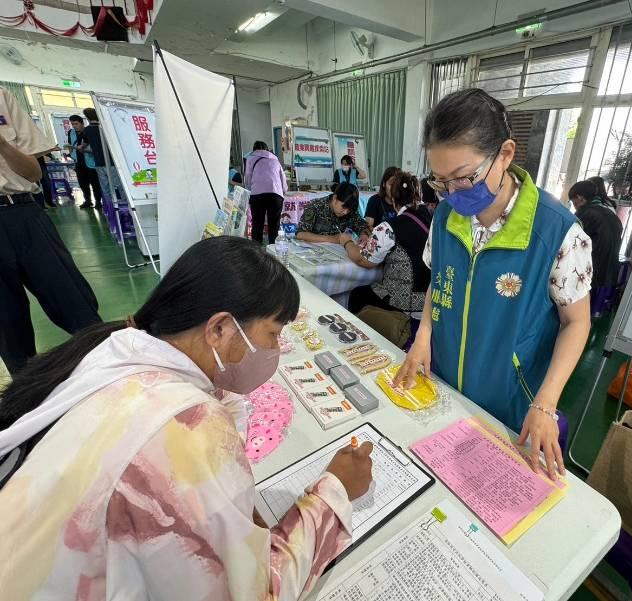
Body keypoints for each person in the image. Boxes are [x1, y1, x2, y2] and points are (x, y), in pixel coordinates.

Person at [0, 236, 374, 599]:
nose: (276, 349)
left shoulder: (117, 348)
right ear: (219, 328)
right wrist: (334, 490)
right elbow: (255, 592)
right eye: (273, 334)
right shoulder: (186, 430)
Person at [394, 89, 592, 480]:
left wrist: (546, 402)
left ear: (504, 154)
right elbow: (440, 283)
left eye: (465, 177)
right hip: (446, 388)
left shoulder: (557, 233)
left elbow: (577, 322)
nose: (453, 194)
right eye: (441, 182)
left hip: (512, 404)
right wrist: (423, 338)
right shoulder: (445, 217)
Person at [0, 86, 102, 375]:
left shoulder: (2, 98)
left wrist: (3, 145)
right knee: (7, 323)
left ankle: (113, 373)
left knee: (73, 298)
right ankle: (25, 398)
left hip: (23, 212)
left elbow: (34, 173)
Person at [345, 171, 432, 315]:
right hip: (430, 300)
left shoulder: (389, 228)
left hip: (403, 302)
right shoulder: (431, 217)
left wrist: (346, 242)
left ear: (393, 198)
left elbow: (363, 259)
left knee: (357, 294)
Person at [568, 180, 623, 317]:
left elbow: (569, 244)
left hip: (590, 274)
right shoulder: (612, 215)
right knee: (591, 314)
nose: (574, 207)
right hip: (609, 275)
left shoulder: (585, 215)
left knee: (576, 315)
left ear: (580, 197)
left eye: (574, 202)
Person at [82, 106, 128, 210]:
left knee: (105, 187)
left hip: (99, 162)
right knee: (119, 185)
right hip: (112, 162)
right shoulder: (106, 128)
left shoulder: (87, 130)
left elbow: (83, 145)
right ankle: (125, 206)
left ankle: (110, 208)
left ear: (87, 118)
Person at [296, 183, 369, 243]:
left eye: (349, 209)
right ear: (334, 198)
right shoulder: (315, 206)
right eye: (343, 207)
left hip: (340, 254)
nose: (345, 212)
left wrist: (364, 235)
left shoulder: (350, 211)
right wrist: (333, 239)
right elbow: (300, 234)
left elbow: (362, 226)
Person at [245, 141, 288, 245]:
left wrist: (250, 189)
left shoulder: (250, 158)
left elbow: (248, 177)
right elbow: (283, 179)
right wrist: (284, 191)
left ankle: (256, 251)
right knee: (274, 225)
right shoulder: (275, 160)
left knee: (257, 224)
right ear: (267, 148)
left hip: (257, 195)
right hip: (275, 195)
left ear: (254, 149)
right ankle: (274, 251)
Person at [67, 114, 102, 209]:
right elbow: (70, 145)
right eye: (72, 124)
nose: (74, 126)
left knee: (95, 183)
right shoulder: (71, 133)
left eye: (76, 124)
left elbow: (95, 146)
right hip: (78, 161)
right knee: (83, 183)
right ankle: (88, 201)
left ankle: (98, 201)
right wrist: (71, 155)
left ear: (82, 123)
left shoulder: (89, 131)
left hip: (90, 161)